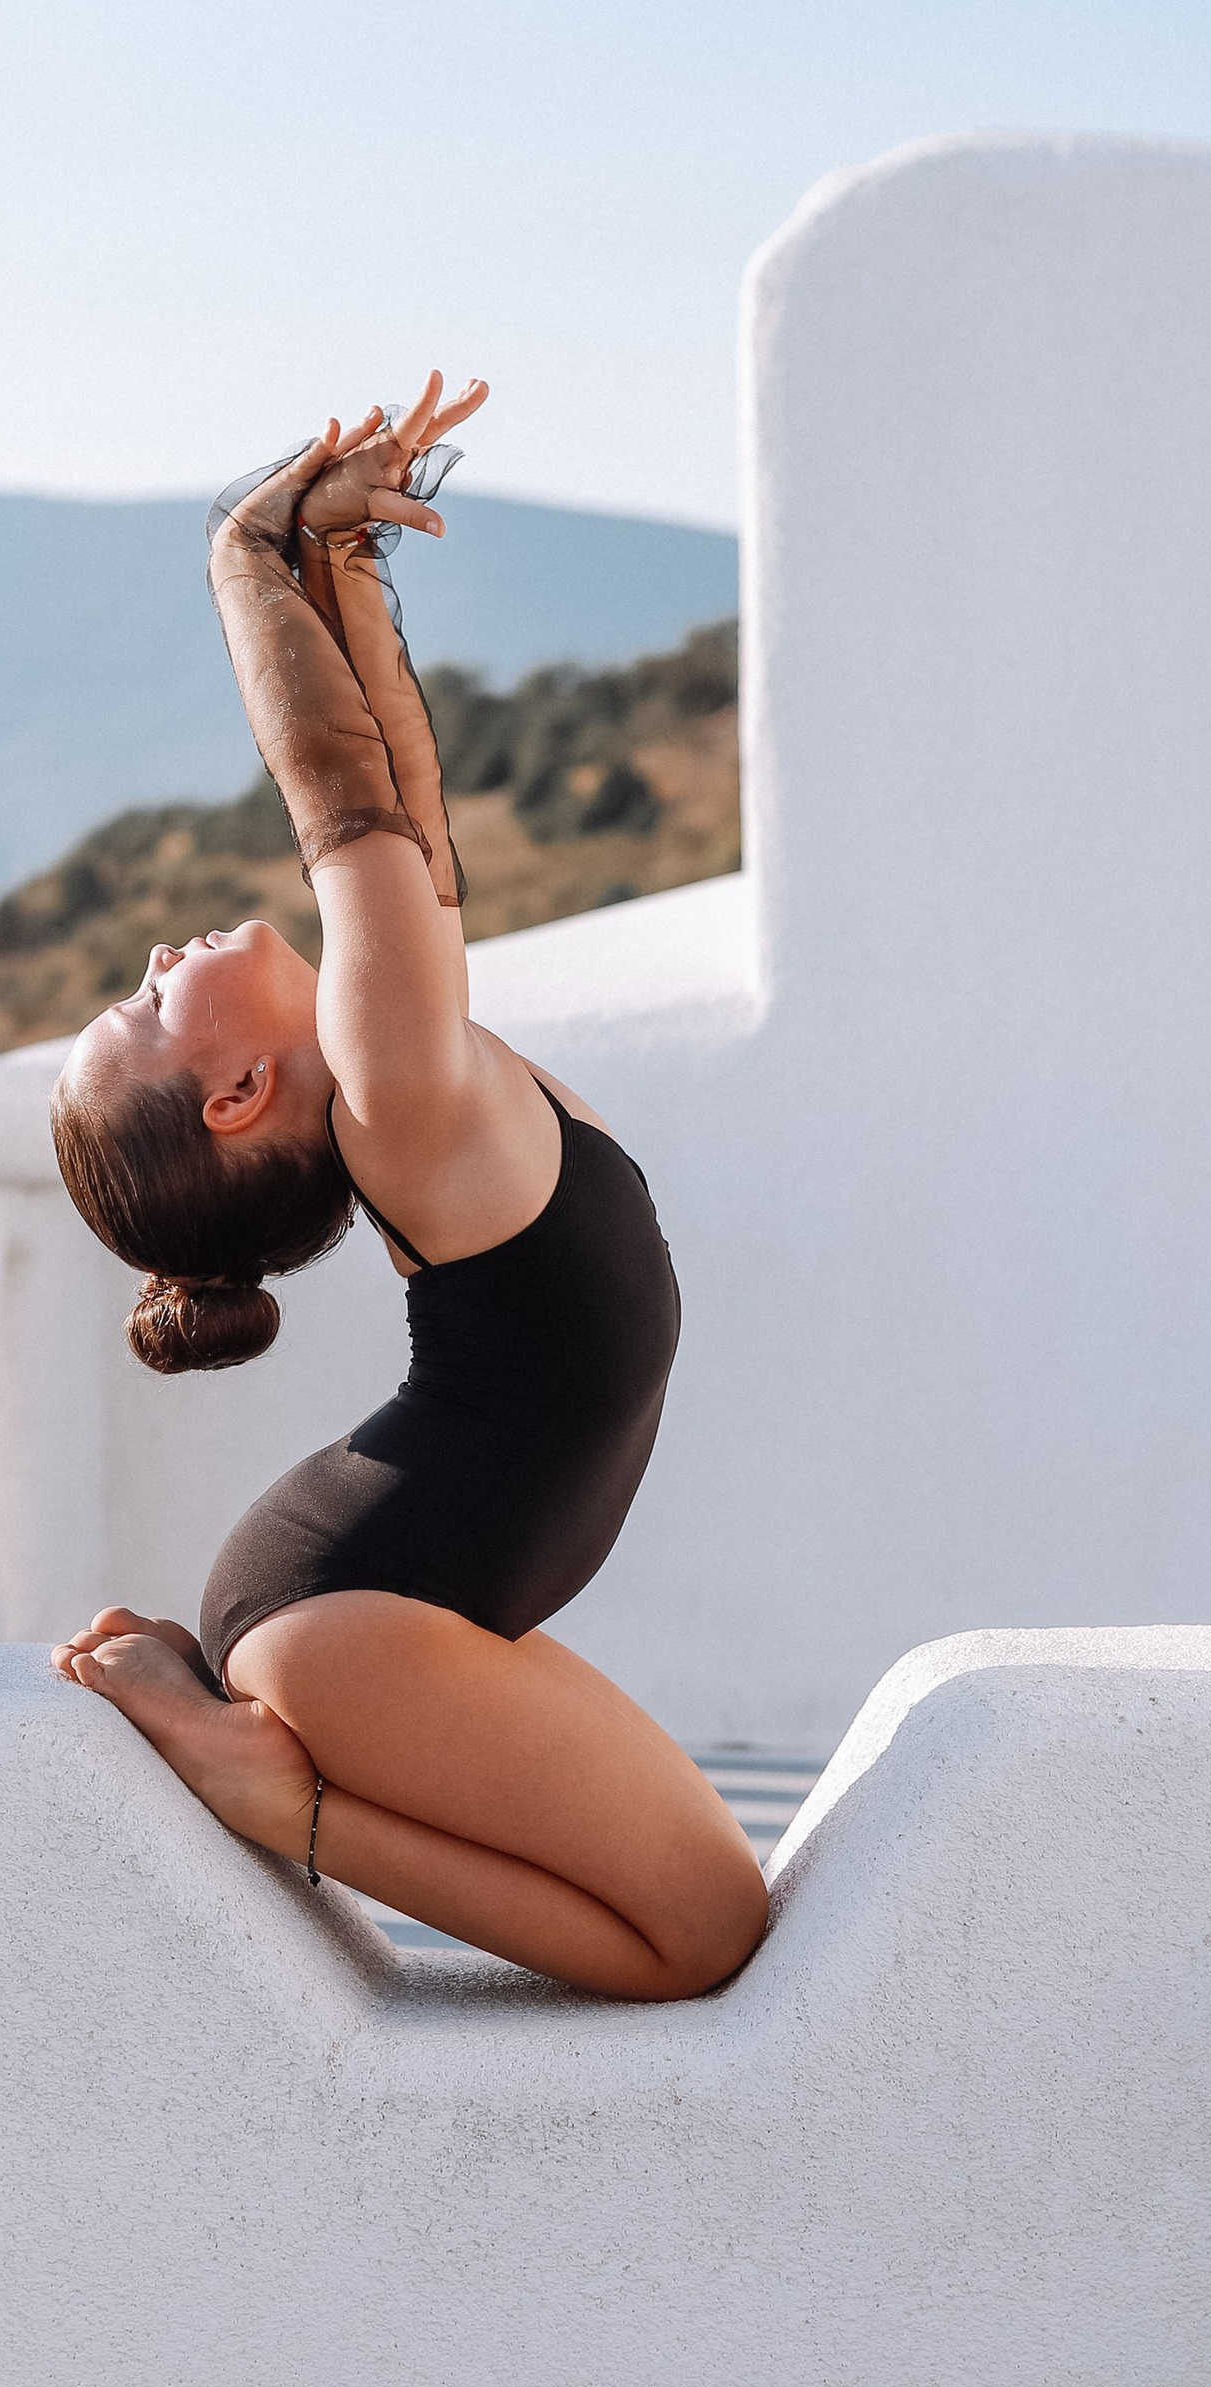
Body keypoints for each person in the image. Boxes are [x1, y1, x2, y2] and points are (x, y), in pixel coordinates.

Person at [45, 374, 768, 2002]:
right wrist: (250, 555)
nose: (160, 958)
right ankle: (272, 1790)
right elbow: (346, 811)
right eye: (147, 1007)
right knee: (706, 1936)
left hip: (375, 1597)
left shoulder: (411, 1081)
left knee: (712, 1917)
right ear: (236, 1097)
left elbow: (409, 824)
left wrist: (348, 556)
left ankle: (254, 1743)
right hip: (349, 1617)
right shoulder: (402, 1100)